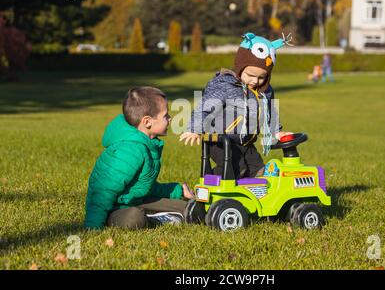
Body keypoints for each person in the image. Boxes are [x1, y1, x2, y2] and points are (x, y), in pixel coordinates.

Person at [180, 32, 292, 179]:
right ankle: (207, 187)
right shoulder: (226, 85)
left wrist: (276, 132)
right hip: (220, 141)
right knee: (235, 169)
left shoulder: (264, 91)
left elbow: (269, 113)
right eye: (250, 75)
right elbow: (205, 107)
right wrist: (194, 129)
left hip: (245, 142)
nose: (255, 81)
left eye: (261, 77)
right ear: (240, 68)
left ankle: (249, 198)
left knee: (258, 171)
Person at [84, 87, 194, 230]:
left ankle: (162, 216)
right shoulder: (129, 150)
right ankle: (156, 219)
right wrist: (92, 227)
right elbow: (104, 191)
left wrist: (177, 190)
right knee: (134, 218)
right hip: (116, 209)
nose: (170, 119)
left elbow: (143, 187)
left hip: (138, 201)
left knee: (188, 209)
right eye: (165, 116)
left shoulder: (147, 144)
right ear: (147, 122)